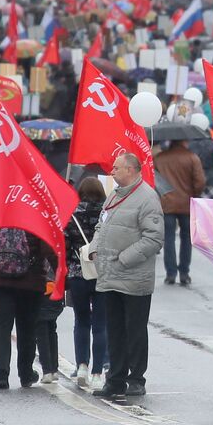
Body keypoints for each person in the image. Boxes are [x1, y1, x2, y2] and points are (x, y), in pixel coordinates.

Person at [91, 152, 163, 401]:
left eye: (117, 168)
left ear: (131, 170)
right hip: (110, 275)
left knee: (134, 330)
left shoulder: (147, 198)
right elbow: (102, 224)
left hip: (134, 277)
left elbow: (153, 238)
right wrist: (94, 248)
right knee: (115, 330)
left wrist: (124, 258)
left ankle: (136, 378)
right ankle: (116, 378)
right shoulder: (114, 195)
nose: (112, 171)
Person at [0, 224, 54, 390]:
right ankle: (26, 374)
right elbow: (48, 250)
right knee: (27, 329)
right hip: (30, 283)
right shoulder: (37, 218)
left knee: (1, 326)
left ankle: (1, 374)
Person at [64, 176, 107, 388]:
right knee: (100, 325)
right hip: (102, 274)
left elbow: (63, 245)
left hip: (77, 273)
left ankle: (82, 365)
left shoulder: (71, 214)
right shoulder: (107, 215)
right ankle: (98, 373)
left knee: (81, 321)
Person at [155, 138, 205, 286]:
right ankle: (184, 272)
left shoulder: (160, 158)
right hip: (187, 204)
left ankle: (170, 273)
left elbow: (154, 179)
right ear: (184, 141)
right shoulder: (192, 157)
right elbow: (200, 182)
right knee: (186, 238)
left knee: (169, 238)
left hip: (166, 203)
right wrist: (195, 194)